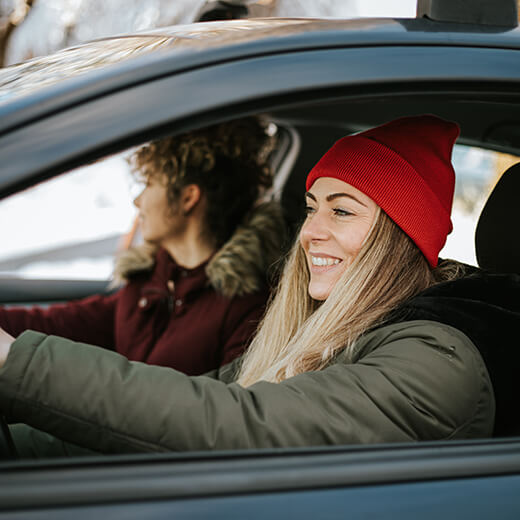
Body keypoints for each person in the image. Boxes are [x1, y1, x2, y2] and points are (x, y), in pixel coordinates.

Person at [0, 114, 518, 458]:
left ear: (395, 237)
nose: (310, 231)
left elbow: (239, 423)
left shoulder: (437, 359)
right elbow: (206, 395)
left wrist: (14, 366)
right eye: (312, 208)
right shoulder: (333, 329)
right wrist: (18, 443)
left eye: (342, 211)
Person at [0, 117, 285, 375]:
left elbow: (217, 416)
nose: (138, 202)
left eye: (149, 183)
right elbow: (63, 323)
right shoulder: (152, 280)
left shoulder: (248, 309)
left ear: (188, 198)